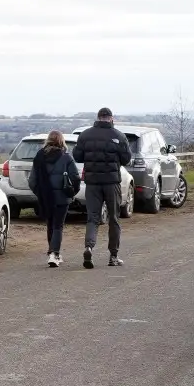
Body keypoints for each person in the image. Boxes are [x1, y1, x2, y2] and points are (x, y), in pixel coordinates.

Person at [72, 107, 131, 269]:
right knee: (114, 218)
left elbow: (77, 156)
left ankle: (89, 247)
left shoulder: (85, 135)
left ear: (98, 118)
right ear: (111, 118)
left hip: (92, 183)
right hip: (112, 182)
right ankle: (113, 256)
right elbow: (126, 159)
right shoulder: (119, 136)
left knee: (93, 218)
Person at [29, 130, 79, 267]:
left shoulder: (39, 156)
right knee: (58, 225)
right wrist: (73, 192)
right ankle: (54, 253)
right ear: (61, 141)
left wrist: (40, 193)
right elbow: (75, 177)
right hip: (62, 197)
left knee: (50, 224)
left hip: (46, 197)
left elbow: (32, 181)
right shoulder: (66, 157)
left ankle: (52, 252)